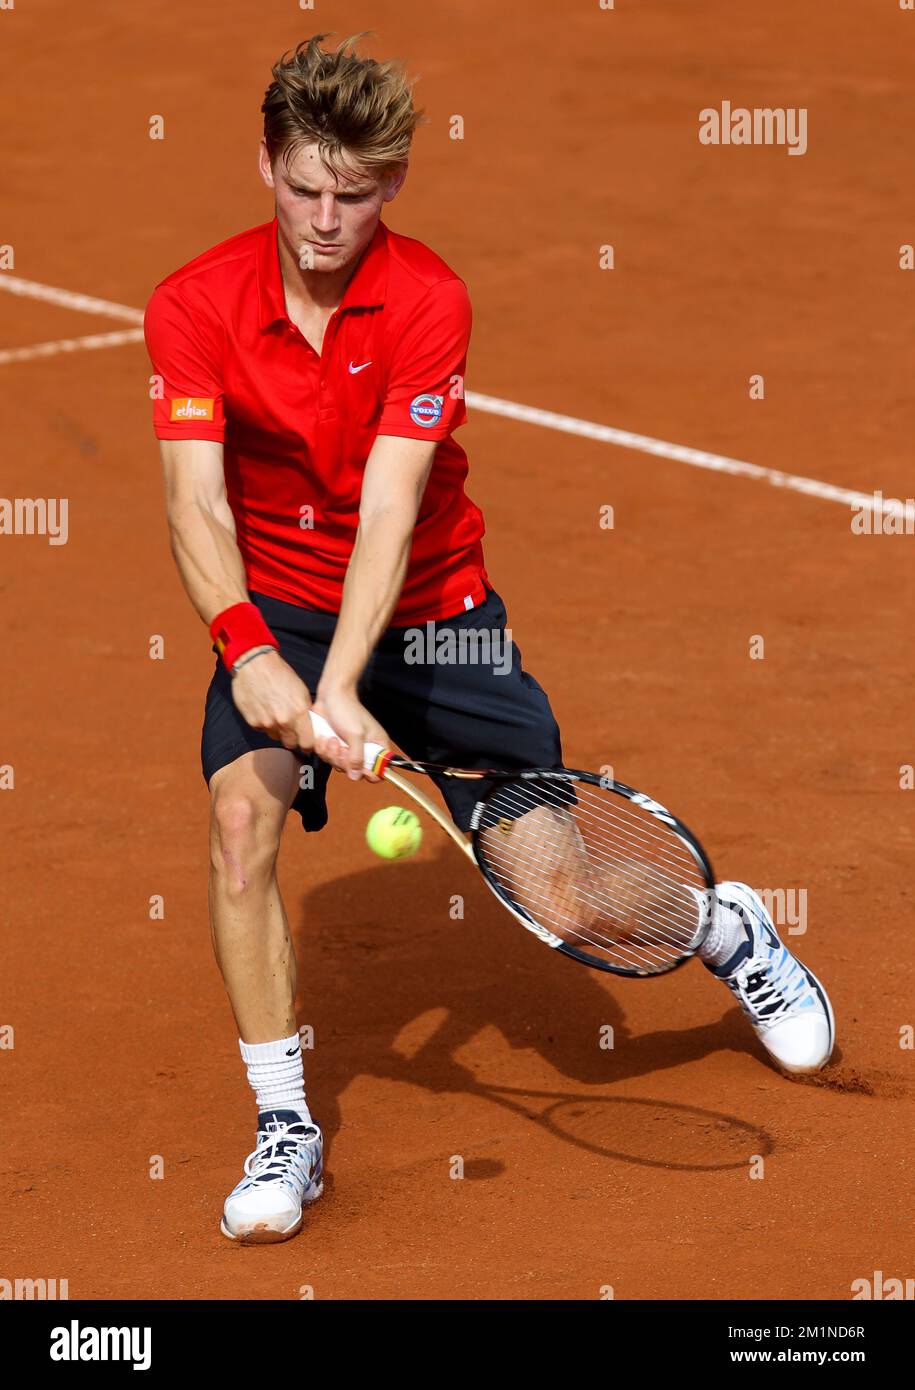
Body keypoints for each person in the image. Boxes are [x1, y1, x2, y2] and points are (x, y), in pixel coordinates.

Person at [144, 33, 835, 1245]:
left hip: (437, 617)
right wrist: (252, 650)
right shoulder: (191, 306)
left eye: (354, 196)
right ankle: (286, 1126)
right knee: (241, 818)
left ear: (394, 184)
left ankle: (726, 926)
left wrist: (345, 685)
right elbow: (196, 504)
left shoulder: (427, 300)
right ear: (264, 161)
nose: (323, 219)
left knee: (565, 898)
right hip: (280, 609)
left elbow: (395, 512)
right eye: (303, 187)